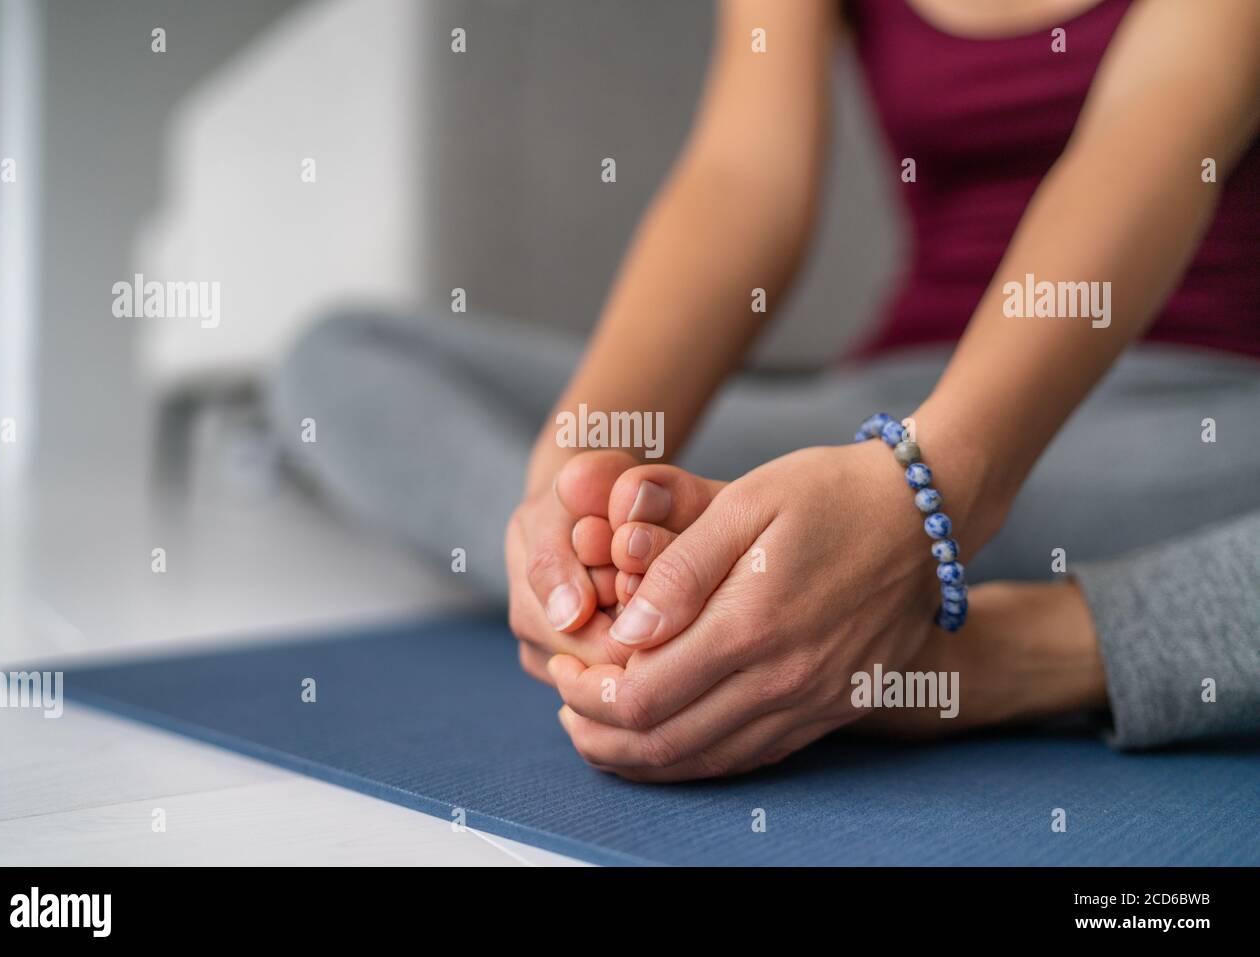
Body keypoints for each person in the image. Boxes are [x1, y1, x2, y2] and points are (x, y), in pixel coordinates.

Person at [275, 0, 1260, 781]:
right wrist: (576, 486)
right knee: (342, 356)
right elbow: (744, 177)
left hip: (1179, 418)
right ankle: (675, 614)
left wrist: (929, 494)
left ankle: (969, 653)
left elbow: (1147, 137)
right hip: (880, 410)